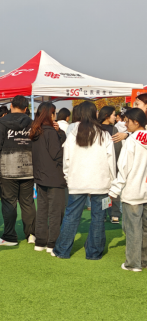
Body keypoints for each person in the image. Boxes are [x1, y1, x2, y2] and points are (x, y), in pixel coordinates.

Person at [52, 101, 116, 260]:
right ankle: (94, 253)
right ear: (94, 114)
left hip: (77, 181)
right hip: (101, 183)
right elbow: (111, 161)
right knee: (98, 217)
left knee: (71, 216)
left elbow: (66, 160)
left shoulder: (72, 134)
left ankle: (62, 251)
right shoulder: (104, 135)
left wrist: (68, 177)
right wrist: (112, 182)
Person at [0, 95, 36, 246]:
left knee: (9, 204)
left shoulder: (2, 123)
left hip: (7, 170)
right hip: (29, 168)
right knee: (28, 203)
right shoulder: (32, 124)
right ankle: (31, 234)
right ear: (26, 108)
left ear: (11, 105)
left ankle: (10, 237)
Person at [108, 108, 147, 271]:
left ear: (136, 122)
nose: (125, 124)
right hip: (144, 190)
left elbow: (124, 167)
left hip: (132, 191)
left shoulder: (131, 141)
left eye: (127, 121)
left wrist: (114, 190)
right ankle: (143, 260)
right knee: (144, 229)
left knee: (132, 229)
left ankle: (133, 263)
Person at [30, 102, 66, 254]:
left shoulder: (35, 131)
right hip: (54, 177)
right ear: (51, 114)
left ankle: (40, 242)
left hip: (40, 176)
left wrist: (59, 133)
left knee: (42, 210)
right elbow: (57, 154)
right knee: (55, 212)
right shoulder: (50, 132)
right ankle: (52, 243)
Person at [98, 106, 123, 223]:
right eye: (113, 115)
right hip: (106, 164)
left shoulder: (112, 129)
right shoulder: (108, 129)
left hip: (106, 164)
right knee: (108, 190)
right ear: (107, 116)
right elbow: (118, 148)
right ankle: (112, 213)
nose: (115, 117)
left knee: (108, 190)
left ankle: (108, 213)